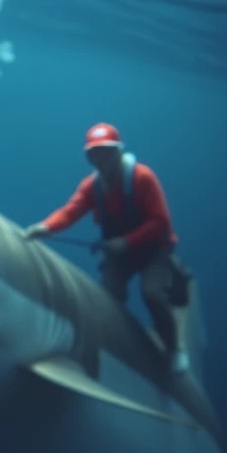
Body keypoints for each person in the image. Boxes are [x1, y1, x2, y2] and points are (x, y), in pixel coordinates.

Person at [22, 122, 191, 375]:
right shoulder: (92, 186)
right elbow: (71, 212)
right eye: (95, 154)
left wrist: (127, 241)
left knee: (151, 294)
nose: (102, 159)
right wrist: (44, 228)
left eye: (107, 151)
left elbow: (161, 222)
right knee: (107, 297)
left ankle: (174, 348)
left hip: (154, 250)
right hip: (120, 253)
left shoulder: (143, 177)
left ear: (119, 152)